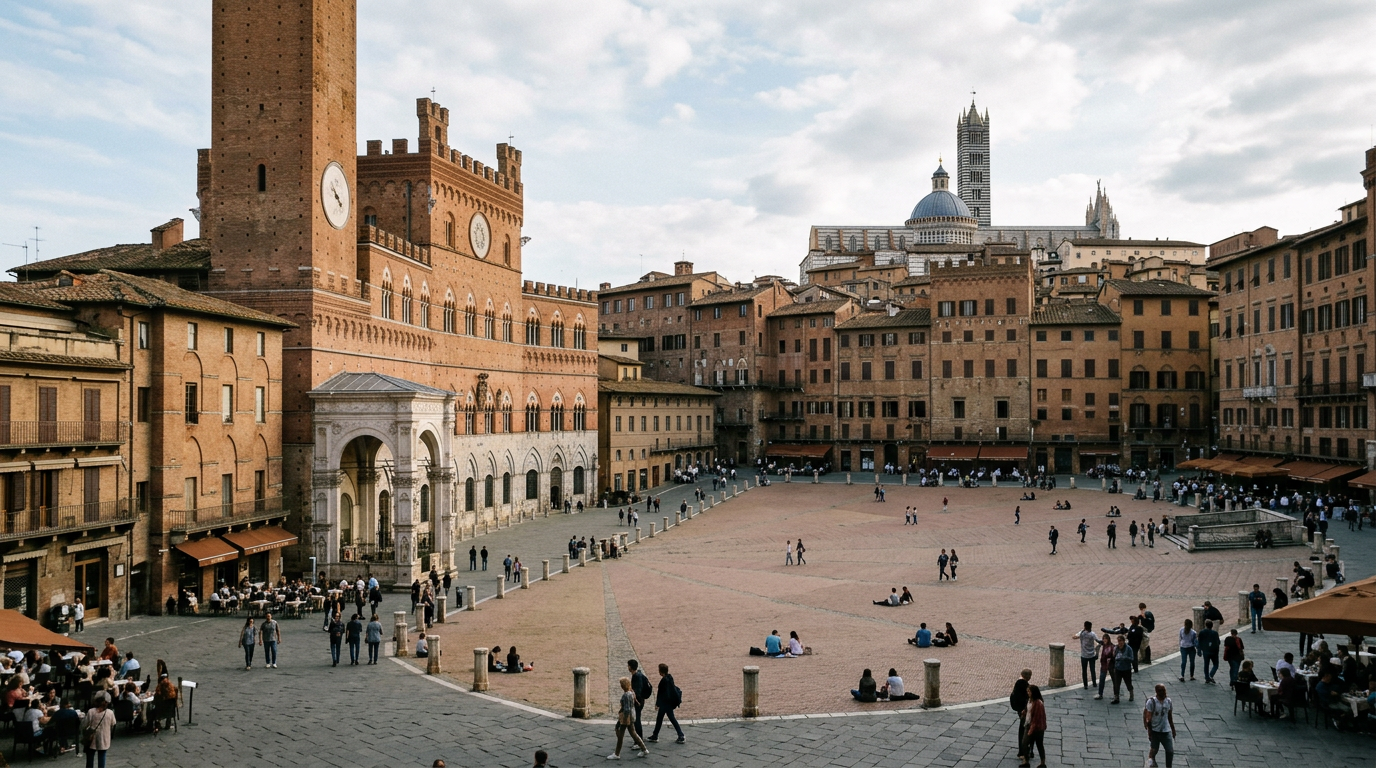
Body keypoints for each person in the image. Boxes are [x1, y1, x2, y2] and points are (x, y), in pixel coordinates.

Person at [609, 677, 649, 759]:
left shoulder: (626, 695)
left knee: (621, 736)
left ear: (623, 686)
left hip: (626, 718)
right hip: (631, 716)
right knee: (633, 734)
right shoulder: (631, 693)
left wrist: (622, 720)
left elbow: (626, 709)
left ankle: (617, 754)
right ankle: (644, 749)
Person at [648, 663, 684, 744]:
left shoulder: (663, 681)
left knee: (668, 718)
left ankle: (681, 735)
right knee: (662, 718)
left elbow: (660, 694)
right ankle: (655, 735)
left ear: (661, 672)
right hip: (668, 703)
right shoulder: (670, 678)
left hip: (665, 704)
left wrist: (657, 704)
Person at [81, 693, 116, 768]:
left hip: (91, 738)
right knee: (102, 755)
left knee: (90, 756)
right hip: (104, 738)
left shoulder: (91, 712)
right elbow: (113, 723)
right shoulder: (110, 713)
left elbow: (85, 725)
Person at [1010, 669, 1031, 766]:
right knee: (1024, 730)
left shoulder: (1019, 683)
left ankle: (1025, 751)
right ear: (1028, 676)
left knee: (1024, 729)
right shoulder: (1023, 684)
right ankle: (1023, 751)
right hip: (1023, 711)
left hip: (1021, 709)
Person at [1024, 685, 1047, 768]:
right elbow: (1029, 710)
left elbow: (1036, 718)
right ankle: (1026, 761)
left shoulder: (1038, 703)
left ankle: (1042, 763)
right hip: (1029, 724)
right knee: (1025, 743)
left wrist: (1031, 730)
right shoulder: (1030, 700)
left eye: (1029, 691)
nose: (1028, 693)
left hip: (1037, 727)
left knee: (1039, 744)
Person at [1073, 621, 1100, 690]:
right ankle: (1094, 683)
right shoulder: (1093, 634)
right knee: (1092, 670)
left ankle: (1085, 685)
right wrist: (1097, 652)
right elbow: (1098, 641)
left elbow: (1074, 637)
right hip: (1092, 655)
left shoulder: (1082, 633)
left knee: (1084, 670)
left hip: (1084, 655)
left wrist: (1082, 630)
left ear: (1085, 626)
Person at [629, 660, 652, 739]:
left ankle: (639, 739)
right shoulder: (637, 674)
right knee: (636, 719)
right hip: (640, 700)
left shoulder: (637, 676)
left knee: (637, 720)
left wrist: (635, 698)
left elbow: (638, 691)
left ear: (630, 667)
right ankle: (638, 738)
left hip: (638, 701)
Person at [1112, 635, 1135, 703]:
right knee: (1116, 684)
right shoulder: (1116, 648)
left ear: (1124, 641)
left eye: (1121, 641)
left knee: (1128, 683)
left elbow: (1132, 658)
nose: (1119, 642)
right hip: (1118, 669)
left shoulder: (1128, 648)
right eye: (1118, 641)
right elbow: (1114, 656)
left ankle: (1131, 694)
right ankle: (1116, 697)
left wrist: (1125, 658)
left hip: (1126, 669)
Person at [1197, 620, 1220, 684]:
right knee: (1216, 665)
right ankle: (1211, 675)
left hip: (1206, 651)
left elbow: (1199, 642)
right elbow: (1218, 642)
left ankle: (1207, 677)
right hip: (1214, 651)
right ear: (1212, 626)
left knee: (1206, 664)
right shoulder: (1215, 633)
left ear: (1206, 625)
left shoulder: (1202, 632)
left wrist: (1199, 651)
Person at [1096, 630, 1115, 700]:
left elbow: (1114, 656)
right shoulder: (1104, 645)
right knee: (1102, 679)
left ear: (1108, 639)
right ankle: (1100, 694)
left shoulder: (1112, 646)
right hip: (1104, 664)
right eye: (1103, 638)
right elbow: (1097, 641)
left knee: (1114, 680)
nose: (1104, 640)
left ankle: (1116, 694)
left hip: (1111, 665)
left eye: (1106, 638)